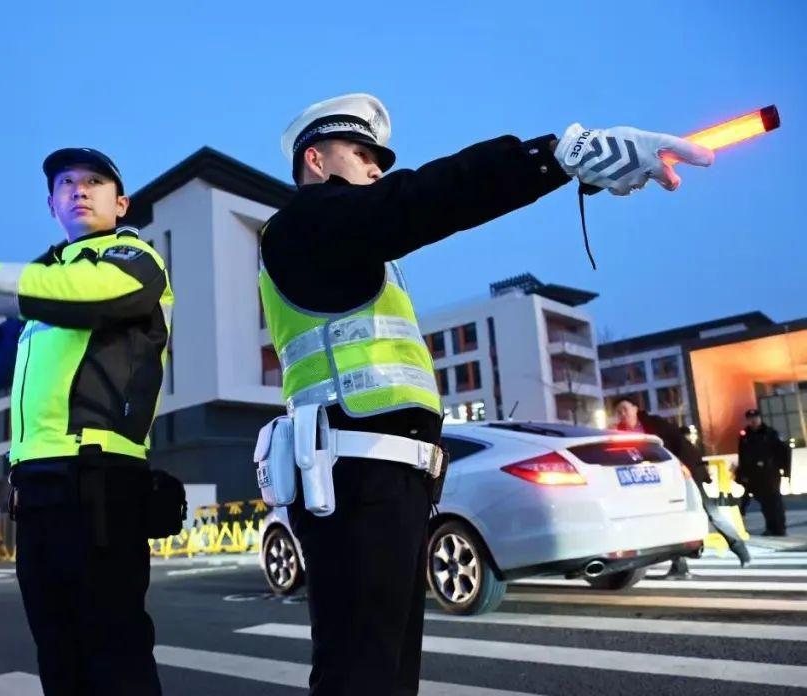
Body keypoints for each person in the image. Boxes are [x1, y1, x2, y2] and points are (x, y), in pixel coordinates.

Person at [259, 92, 714, 695]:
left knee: (386, 674)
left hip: (388, 481)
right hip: (352, 479)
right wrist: (553, 156)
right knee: (361, 674)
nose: (376, 169)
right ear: (315, 160)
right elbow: (423, 198)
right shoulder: (302, 226)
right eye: (362, 154)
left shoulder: (354, 252)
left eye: (380, 161)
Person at [0, 148, 174, 695]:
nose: (79, 190)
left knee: (115, 657)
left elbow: (85, 296)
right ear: (51, 205)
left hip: (101, 482)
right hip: (36, 489)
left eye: (95, 181)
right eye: (66, 183)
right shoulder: (45, 285)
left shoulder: (133, 260)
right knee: (58, 654)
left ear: (121, 203)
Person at [613, 396, 750, 575]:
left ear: (635, 408)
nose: (622, 414)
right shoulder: (620, 434)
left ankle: (739, 547)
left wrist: (688, 469)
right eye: (618, 412)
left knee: (709, 511)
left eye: (625, 409)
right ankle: (679, 566)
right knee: (670, 520)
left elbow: (679, 445)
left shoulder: (654, 424)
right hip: (657, 481)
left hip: (685, 471)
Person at [738, 408, 790, 536]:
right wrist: (742, 474)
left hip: (770, 472)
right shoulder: (745, 436)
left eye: (755, 418)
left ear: (760, 418)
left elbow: (784, 451)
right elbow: (742, 456)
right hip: (754, 474)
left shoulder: (770, 433)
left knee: (775, 501)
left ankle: (780, 528)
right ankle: (770, 527)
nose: (753, 421)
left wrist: (785, 470)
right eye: (750, 418)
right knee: (765, 503)